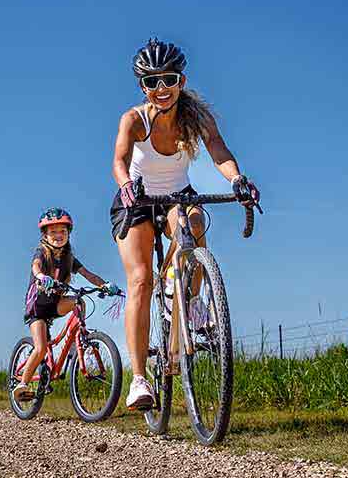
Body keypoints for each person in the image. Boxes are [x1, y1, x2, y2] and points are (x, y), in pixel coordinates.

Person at [111, 38, 260, 411]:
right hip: (137, 200)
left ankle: (190, 301)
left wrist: (237, 179)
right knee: (141, 280)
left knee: (194, 223)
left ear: (182, 80)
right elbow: (119, 161)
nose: (161, 89)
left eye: (169, 79)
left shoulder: (196, 117)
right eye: (151, 82)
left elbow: (219, 152)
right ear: (142, 86)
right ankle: (140, 380)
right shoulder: (134, 120)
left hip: (178, 196)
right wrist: (126, 185)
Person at [15, 208, 120, 401]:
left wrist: (105, 285)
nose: (58, 236)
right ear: (45, 235)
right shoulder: (42, 252)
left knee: (78, 302)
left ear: (69, 234)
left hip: (55, 304)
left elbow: (88, 274)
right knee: (40, 348)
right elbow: (36, 266)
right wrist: (41, 277)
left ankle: (76, 347)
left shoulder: (68, 258)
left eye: (62, 231)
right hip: (37, 309)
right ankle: (22, 384)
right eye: (53, 232)